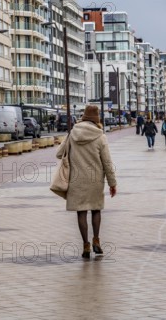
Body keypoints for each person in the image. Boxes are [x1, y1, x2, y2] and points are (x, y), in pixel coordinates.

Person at [56, 105, 117, 259]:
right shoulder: (100, 136)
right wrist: (112, 183)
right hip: (95, 179)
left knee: (81, 212)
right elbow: (107, 162)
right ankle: (96, 240)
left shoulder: (72, 134)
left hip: (76, 180)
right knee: (96, 209)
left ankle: (85, 245)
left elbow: (59, 153)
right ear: (97, 118)